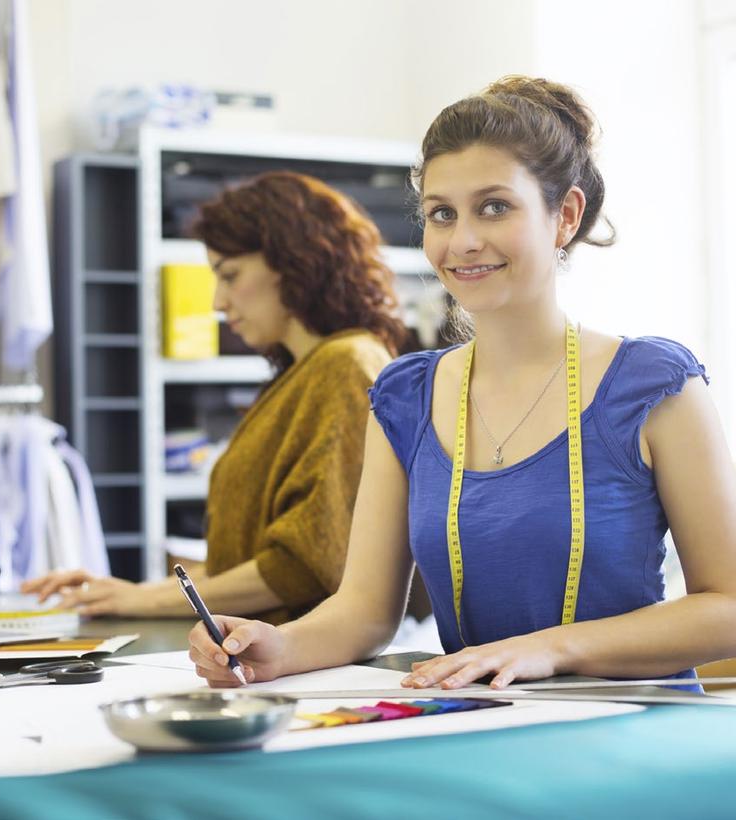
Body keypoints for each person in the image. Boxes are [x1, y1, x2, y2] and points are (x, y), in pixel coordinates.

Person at [188, 76, 736, 690]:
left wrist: (549, 650)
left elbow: (729, 607)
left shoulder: (653, 387)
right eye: (441, 214)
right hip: (481, 727)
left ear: (566, 216)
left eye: (494, 207)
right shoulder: (404, 398)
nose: (463, 241)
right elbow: (364, 613)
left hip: (630, 736)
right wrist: (277, 647)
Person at [22, 171, 413, 621]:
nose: (217, 303)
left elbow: (306, 564)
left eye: (230, 275)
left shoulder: (346, 366)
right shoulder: (308, 372)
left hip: (300, 664)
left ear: (295, 262)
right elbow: (256, 557)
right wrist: (126, 591)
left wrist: (140, 601)